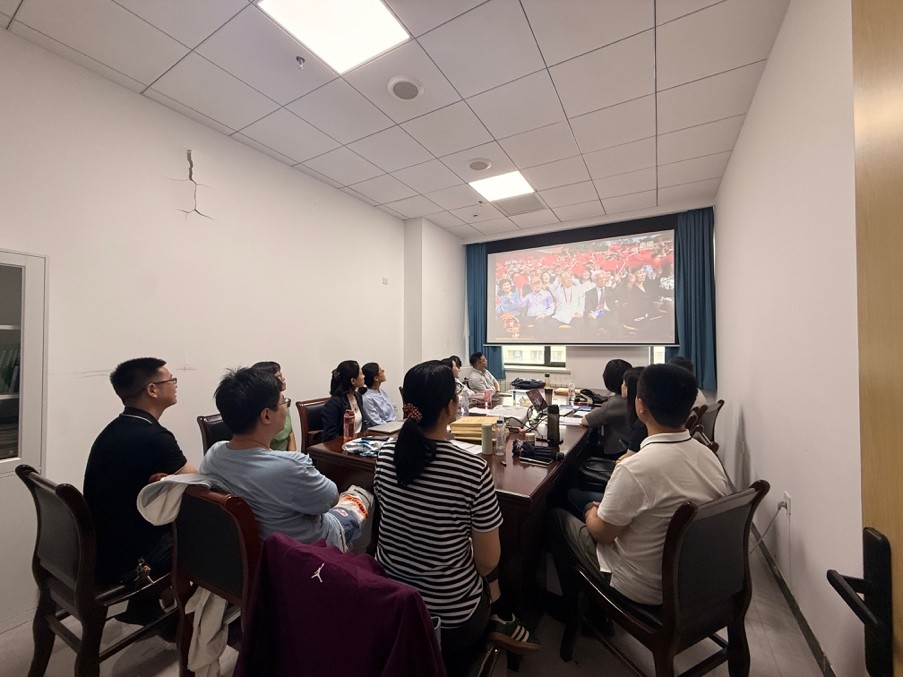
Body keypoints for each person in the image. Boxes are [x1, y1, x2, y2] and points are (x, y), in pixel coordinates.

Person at [374, 361, 539, 670]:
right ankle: (499, 618)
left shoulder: (385, 454)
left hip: (391, 601)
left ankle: (498, 616)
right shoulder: (472, 469)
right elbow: (487, 562)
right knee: (490, 565)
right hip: (451, 621)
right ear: (451, 407)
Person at [548, 363, 731, 608]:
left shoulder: (636, 468)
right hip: (692, 583)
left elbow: (602, 534)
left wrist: (591, 510)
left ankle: (577, 610)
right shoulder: (709, 456)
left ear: (640, 405)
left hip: (641, 587)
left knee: (556, 516)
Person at [199, 367, 371, 551]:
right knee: (362, 494)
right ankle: (356, 561)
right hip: (310, 551)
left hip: (261, 553)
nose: (286, 408)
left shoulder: (213, 455)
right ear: (267, 415)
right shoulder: (291, 466)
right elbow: (331, 499)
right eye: (284, 402)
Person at [84, 358, 195, 621]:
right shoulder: (154, 438)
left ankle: (148, 607)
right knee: (216, 535)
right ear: (152, 389)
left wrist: (168, 480)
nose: (175, 384)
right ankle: (193, 620)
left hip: (104, 544)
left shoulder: (116, 428)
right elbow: (197, 482)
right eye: (171, 379)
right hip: (129, 560)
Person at [580, 359, 633, 456]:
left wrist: (598, 411)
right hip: (630, 448)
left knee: (583, 452)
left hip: (618, 453)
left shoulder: (615, 403)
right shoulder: (634, 397)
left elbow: (585, 421)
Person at [322, 360, 372, 441]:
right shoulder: (333, 404)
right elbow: (330, 436)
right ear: (353, 381)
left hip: (360, 441)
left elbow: (363, 425)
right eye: (361, 374)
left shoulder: (358, 396)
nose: (364, 376)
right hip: (342, 445)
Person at [251, 360, 296, 450]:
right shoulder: (260, 410)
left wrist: (293, 455)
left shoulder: (283, 401)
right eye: (279, 376)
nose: (283, 379)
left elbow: (290, 433)